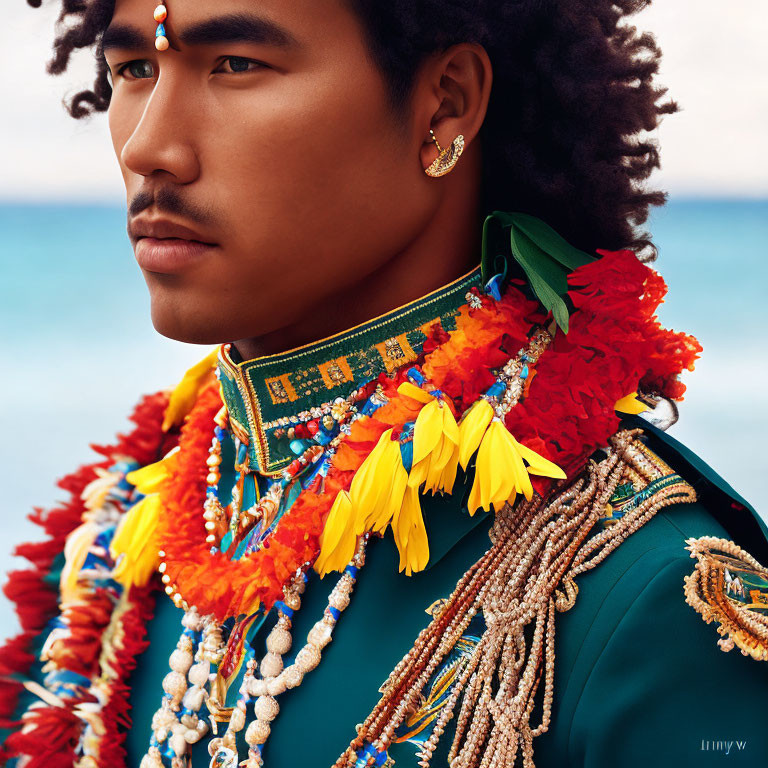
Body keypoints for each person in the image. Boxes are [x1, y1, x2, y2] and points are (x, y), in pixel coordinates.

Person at [2, 0, 767, 766]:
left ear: (446, 104)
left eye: (236, 64)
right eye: (134, 68)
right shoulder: (109, 557)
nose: (149, 147)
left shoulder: (647, 593)